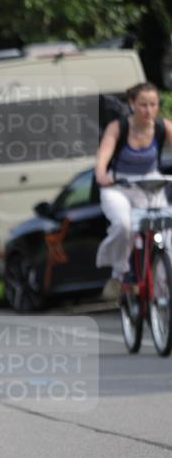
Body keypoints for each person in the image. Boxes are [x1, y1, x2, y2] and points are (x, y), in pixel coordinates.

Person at [95, 81, 172, 299]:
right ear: (131, 104)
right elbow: (102, 159)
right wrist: (102, 174)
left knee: (168, 238)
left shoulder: (162, 126)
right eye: (143, 105)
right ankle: (120, 274)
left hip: (151, 186)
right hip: (119, 186)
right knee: (124, 225)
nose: (148, 110)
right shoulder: (118, 127)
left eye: (153, 104)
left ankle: (162, 292)